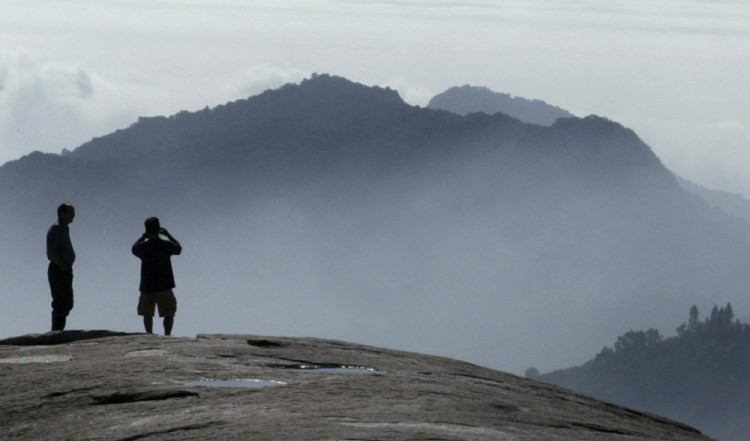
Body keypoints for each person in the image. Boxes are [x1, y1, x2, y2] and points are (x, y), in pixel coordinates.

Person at [131, 217, 182, 335]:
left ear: (147, 230)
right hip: (164, 285)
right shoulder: (165, 245)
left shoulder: (143, 247)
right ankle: (167, 335)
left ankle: (149, 335)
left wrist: (143, 237)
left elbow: (133, 248)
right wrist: (169, 235)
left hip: (147, 286)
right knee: (168, 314)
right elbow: (179, 249)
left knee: (147, 314)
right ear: (159, 228)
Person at [47, 203, 76, 331]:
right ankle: (56, 331)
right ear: (62, 213)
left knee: (67, 302)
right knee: (61, 302)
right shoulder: (57, 228)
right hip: (58, 269)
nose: (74, 216)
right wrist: (61, 264)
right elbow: (51, 250)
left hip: (64, 269)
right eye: (71, 212)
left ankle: (58, 330)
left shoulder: (64, 228)